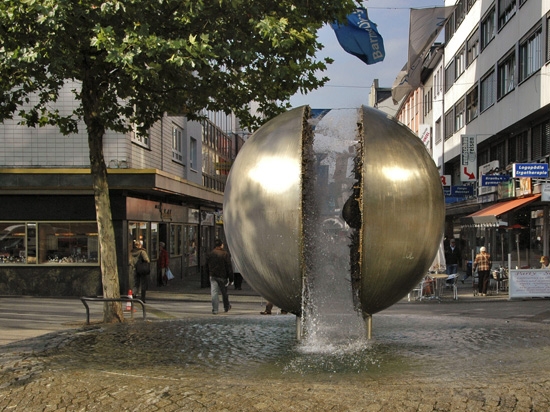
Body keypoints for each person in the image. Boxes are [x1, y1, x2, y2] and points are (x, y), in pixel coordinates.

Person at [205, 239, 234, 314]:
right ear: (221, 245)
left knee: (214, 293)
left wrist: (209, 274)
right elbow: (229, 267)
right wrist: (231, 278)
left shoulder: (210, 254)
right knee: (224, 292)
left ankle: (215, 309)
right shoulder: (225, 254)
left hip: (213, 275)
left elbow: (206, 266)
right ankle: (226, 306)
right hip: (222, 276)